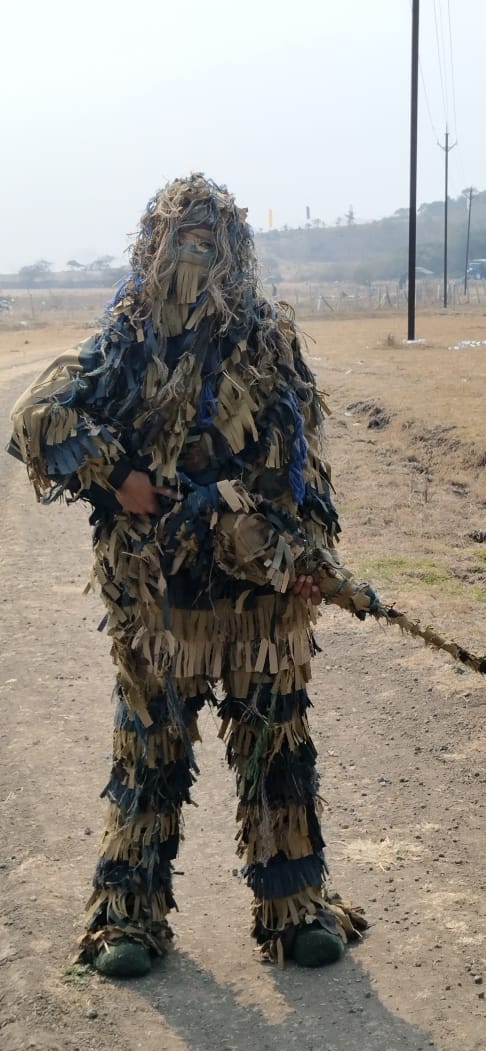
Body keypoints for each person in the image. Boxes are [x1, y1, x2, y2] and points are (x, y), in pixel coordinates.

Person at [8, 175, 366, 977]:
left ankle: (295, 907)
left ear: (237, 255)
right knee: (151, 754)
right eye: (183, 237)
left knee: (277, 751)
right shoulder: (126, 345)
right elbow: (36, 422)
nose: (196, 253)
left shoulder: (267, 343)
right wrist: (117, 477)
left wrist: (306, 557)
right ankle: (128, 916)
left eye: (213, 240)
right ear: (153, 248)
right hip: (158, 606)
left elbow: (303, 470)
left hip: (259, 609)